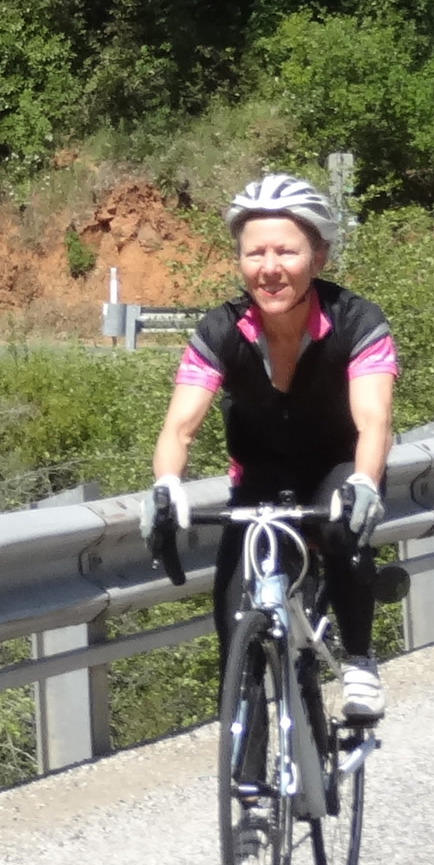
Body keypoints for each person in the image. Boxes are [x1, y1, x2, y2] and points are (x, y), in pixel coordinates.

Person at [142, 173, 398, 720]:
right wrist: (166, 484)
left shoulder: (358, 321)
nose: (270, 267)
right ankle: (247, 756)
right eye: (255, 253)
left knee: (341, 528)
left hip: (338, 469)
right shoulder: (221, 330)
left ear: (319, 257)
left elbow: (373, 419)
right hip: (258, 482)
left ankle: (358, 660)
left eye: (287, 251)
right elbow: (179, 428)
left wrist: (364, 480)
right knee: (234, 629)